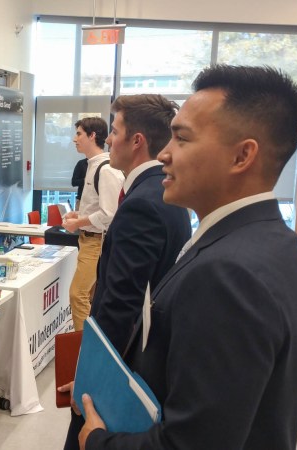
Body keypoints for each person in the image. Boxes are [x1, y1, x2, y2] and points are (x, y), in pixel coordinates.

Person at [76, 65, 297, 450]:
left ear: (242, 155)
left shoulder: (228, 273)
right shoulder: (274, 240)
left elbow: (192, 442)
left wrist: (99, 442)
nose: (165, 154)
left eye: (182, 138)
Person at [60, 94, 192, 450]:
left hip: (123, 369)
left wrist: (92, 378)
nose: (107, 140)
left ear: (137, 141)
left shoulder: (142, 204)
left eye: (115, 131)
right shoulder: (163, 192)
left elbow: (121, 303)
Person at [62, 117, 124, 332]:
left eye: (79, 133)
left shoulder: (106, 169)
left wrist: (79, 221)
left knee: (78, 295)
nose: (74, 139)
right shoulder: (93, 165)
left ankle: (83, 345)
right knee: (88, 296)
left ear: (92, 136)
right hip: (88, 240)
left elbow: (110, 213)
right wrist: (78, 214)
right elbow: (99, 207)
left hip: (96, 242)